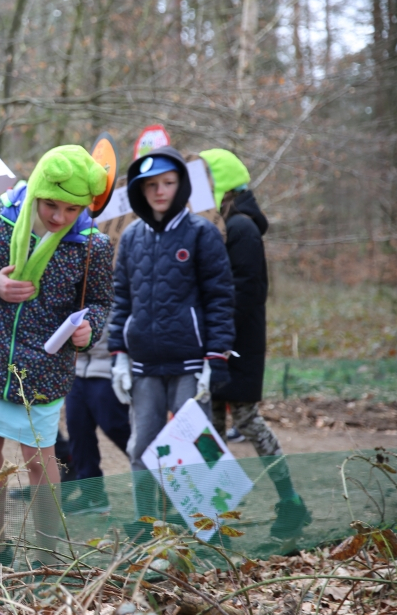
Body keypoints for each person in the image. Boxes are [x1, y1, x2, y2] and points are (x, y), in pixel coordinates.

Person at [0, 146, 113, 567]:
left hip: (46, 367)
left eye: (71, 209)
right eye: (50, 204)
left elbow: (101, 302)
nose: (58, 217)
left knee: (37, 458)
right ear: (36, 192)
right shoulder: (0, 214)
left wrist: (89, 329)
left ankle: (49, 555)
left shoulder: (92, 246)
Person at [108, 145, 235, 532]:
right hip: (144, 366)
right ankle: (146, 523)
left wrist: (217, 358)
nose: (160, 191)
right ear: (141, 190)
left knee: (196, 448)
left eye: (168, 182)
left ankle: (211, 525)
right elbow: (121, 297)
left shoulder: (201, 234)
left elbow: (220, 297)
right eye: (151, 185)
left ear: (181, 184)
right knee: (141, 449)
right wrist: (119, 355)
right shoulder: (130, 238)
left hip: (191, 364)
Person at [199, 148, 312, 539]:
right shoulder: (225, 223)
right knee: (209, 426)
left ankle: (291, 502)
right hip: (218, 344)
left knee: (246, 419)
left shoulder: (243, 227)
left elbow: (247, 290)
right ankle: (213, 513)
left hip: (236, 345)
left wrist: (218, 334)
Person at [62, 320, 131, 514]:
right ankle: (93, 497)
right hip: (76, 368)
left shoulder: (115, 291)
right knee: (78, 430)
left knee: (117, 428)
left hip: (109, 368)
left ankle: (163, 480)